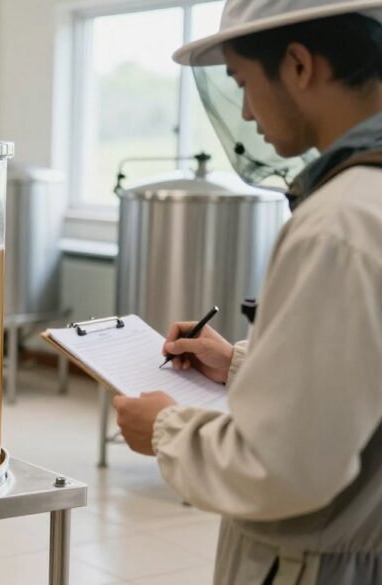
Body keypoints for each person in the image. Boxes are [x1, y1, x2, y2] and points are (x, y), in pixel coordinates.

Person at [111, 1, 382, 583]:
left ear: (299, 65)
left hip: (322, 564)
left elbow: (284, 464)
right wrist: (237, 363)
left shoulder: (341, 222)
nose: (247, 114)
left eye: (243, 83)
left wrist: (165, 429)